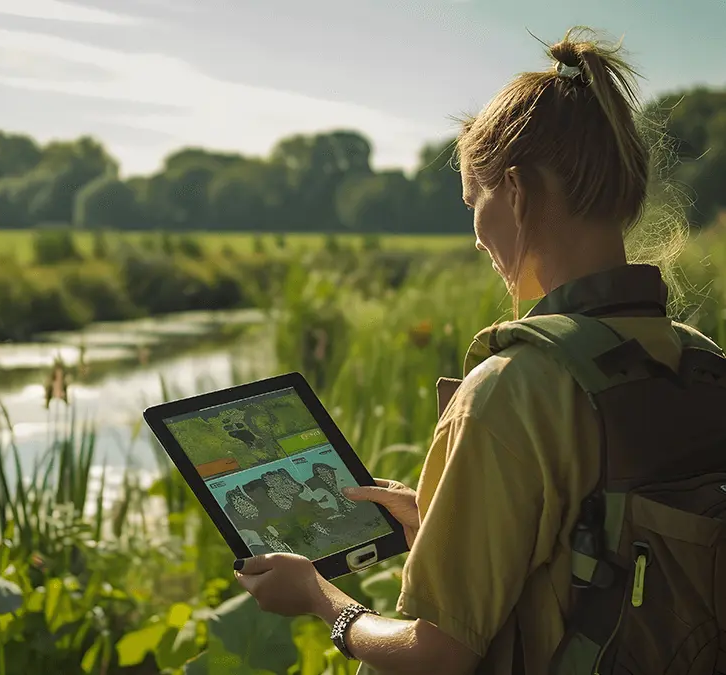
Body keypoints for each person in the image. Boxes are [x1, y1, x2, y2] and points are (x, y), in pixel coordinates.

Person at [232, 27, 710, 674]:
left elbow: (439, 654)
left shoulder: (513, 385)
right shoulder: (699, 362)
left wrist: (321, 599)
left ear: (513, 192)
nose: (477, 236)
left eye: (472, 201)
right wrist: (441, 519)